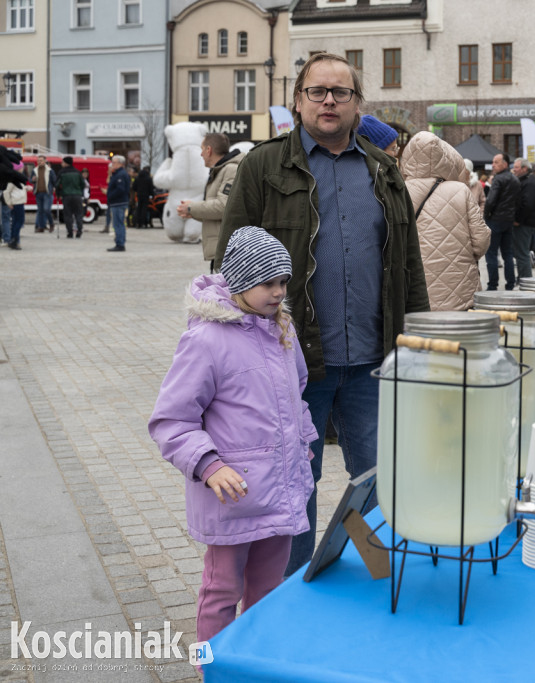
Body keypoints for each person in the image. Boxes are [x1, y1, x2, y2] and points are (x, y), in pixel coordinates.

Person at [216, 51, 430, 577]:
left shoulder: (383, 169)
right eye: (318, 91)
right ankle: (290, 590)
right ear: (298, 100)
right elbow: (229, 265)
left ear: (358, 103)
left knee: (378, 477)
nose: (329, 101)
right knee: (294, 484)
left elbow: (408, 265)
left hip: (373, 362)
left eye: (341, 92)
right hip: (290, 363)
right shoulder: (264, 166)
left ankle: (378, 575)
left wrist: (418, 345)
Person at [149, 226, 317, 648]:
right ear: (241, 282)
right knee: (222, 588)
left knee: (269, 587)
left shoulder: (282, 330)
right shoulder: (205, 340)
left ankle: (255, 662)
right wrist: (209, 466)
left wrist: (304, 444)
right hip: (233, 495)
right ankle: (214, 667)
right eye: (268, 282)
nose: (279, 292)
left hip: (279, 487)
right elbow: (171, 420)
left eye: (284, 281)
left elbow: (297, 394)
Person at [402, 131, 490, 310]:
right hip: (459, 288)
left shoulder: (398, 191)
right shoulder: (460, 190)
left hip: (413, 290)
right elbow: (481, 241)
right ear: (445, 158)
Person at [177, 132, 244, 272]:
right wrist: (193, 212)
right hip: (222, 250)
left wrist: (191, 208)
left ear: (209, 150)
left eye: (202, 149)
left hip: (227, 251)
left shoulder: (230, 170)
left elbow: (224, 207)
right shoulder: (222, 170)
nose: (201, 154)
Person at [483, 153, 519, 290]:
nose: (493, 165)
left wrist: (486, 216)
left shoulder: (498, 179)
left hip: (495, 220)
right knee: (507, 254)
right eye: (493, 162)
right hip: (508, 221)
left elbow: (490, 201)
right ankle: (510, 283)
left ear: (505, 164)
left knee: (491, 253)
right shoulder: (515, 179)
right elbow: (518, 202)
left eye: (496, 162)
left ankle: (493, 285)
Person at [511, 158, 535, 271]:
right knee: (521, 253)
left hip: (525, 223)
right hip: (525, 221)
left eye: (516, 167)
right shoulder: (525, 180)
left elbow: (527, 204)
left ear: (524, 168)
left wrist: (518, 220)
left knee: (522, 254)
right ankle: (523, 277)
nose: (514, 169)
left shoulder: (530, 182)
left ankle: (525, 277)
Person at [56, 156, 85, 238]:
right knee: (78, 214)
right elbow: (82, 184)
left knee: (68, 215)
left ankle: (70, 232)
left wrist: (58, 194)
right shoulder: (77, 172)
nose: (61, 164)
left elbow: (57, 185)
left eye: (62, 162)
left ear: (66, 163)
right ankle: (79, 231)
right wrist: (79, 191)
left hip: (66, 196)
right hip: (77, 196)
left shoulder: (61, 172)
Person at [106, 155, 131, 252]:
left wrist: (111, 196)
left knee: (118, 224)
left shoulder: (120, 174)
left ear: (120, 163)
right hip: (118, 202)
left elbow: (121, 189)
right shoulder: (118, 173)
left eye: (114, 162)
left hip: (118, 202)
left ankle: (120, 244)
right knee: (119, 223)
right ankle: (120, 242)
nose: (112, 164)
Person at [32, 156, 57, 233]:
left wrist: (54, 188)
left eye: (41, 160)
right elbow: (30, 179)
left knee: (46, 209)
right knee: (40, 211)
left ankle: (51, 224)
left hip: (47, 193)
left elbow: (54, 180)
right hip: (38, 193)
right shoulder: (34, 170)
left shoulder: (50, 170)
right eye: (38, 160)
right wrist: (32, 180)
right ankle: (41, 227)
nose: (39, 162)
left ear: (45, 161)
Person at [3, 173, 27, 250]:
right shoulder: (13, 181)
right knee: (19, 221)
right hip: (17, 202)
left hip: (19, 202)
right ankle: (14, 239)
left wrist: (26, 188)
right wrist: (8, 202)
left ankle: (13, 240)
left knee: (15, 222)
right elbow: (6, 192)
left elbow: (18, 190)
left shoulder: (17, 180)